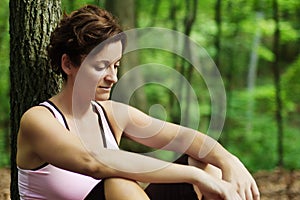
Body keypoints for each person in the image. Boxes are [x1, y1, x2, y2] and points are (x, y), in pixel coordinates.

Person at [16, 4, 260, 200]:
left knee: (206, 162)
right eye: (101, 67)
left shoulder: (111, 114)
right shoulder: (38, 120)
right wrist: (194, 176)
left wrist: (229, 161)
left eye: (116, 66)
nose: (112, 77)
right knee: (119, 182)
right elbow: (94, 162)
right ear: (68, 64)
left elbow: (186, 138)